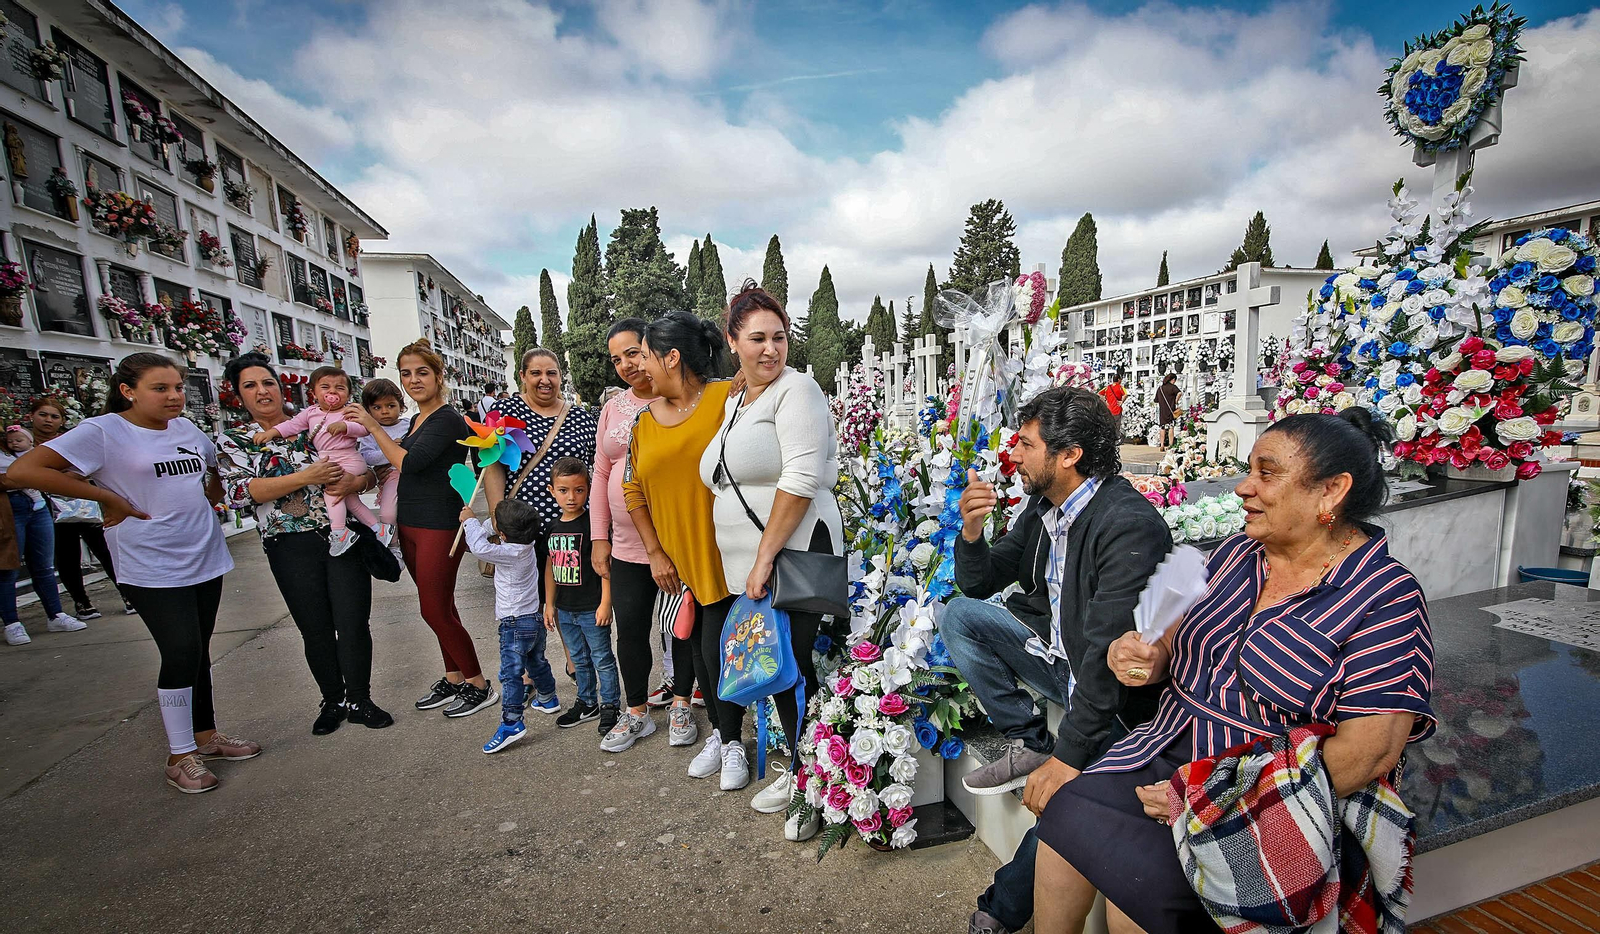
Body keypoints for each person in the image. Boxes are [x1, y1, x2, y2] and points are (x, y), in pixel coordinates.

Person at [1034, 410, 1435, 934]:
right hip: (1168, 744)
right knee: (1065, 822)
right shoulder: (1237, 554)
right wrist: (1147, 658)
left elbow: (1370, 751)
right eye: (1250, 470)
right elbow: (1175, 638)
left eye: (1267, 473)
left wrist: (1210, 795)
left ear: (1331, 492)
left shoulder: (1385, 595)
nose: (1245, 488)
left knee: (1134, 895)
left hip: (1263, 788)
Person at [948, 386, 1171, 934]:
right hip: (1061, 661)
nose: (1014, 455)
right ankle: (1030, 739)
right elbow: (979, 582)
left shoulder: (1126, 524)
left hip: (1116, 701)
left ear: (1069, 454)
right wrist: (972, 533)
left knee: (1069, 802)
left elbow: (1105, 659)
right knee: (959, 616)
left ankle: (999, 912)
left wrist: (1069, 757)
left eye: (1025, 444)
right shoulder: (1045, 507)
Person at [10, 352, 260, 793]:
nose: (174, 397)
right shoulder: (104, 431)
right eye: (160, 389)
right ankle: (179, 755)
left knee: (198, 648)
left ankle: (206, 735)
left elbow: (211, 474)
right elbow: (23, 470)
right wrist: (105, 498)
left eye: (178, 388)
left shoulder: (186, 429)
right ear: (128, 391)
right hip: (150, 562)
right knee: (180, 649)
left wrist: (216, 489)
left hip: (203, 553)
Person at [698, 280, 841, 841]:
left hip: (791, 555)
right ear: (733, 341)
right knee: (779, 668)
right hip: (756, 564)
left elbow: (802, 478)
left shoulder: (796, 390)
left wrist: (761, 560)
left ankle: (810, 786)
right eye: (757, 338)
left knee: (793, 667)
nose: (771, 349)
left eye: (779, 337)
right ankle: (802, 773)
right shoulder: (739, 401)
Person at [218, 352, 393, 737]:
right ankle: (332, 699)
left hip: (342, 535)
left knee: (352, 621)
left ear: (282, 388)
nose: (262, 391)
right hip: (288, 543)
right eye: (250, 386)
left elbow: (365, 471)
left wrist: (356, 484)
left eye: (268, 383)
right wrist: (306, 476)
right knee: (314, 627)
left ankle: (360, 698)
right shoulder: (236, 439)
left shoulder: (317, 420)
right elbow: (241, 492)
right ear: (237, 395)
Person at [622, 310, 743, 789]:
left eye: (644, 356)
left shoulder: (725, 398)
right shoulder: (642, 422)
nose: (637, 368)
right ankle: (722, 732)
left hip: (726, 555)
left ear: (672, 358)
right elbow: (634, 491)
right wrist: (654, 553)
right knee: (695, 649)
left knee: (719, 652)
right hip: (676, 565)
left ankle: (731, 739)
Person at [346, 338, 495, 719]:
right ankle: (454, 675)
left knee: (433, 609)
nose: (414, 380)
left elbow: (409, 463)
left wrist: (371, 425)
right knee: (442, 606)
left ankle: (478, 683)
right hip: (411, 522)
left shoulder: (447, 418)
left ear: (439, 375)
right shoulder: (416, 419)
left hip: (439, 525)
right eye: (406, 373)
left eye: (422, 372)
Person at [594, 318, 670, 754]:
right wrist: (598, 536)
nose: (625, 364)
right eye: (616, 358)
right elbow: (602, 469)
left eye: (632, 353)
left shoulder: (680, 398)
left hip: (673, 539)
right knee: (632, 629)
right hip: (624, 544)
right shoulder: (613, 407)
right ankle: (636, 711)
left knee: (682, 630)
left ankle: (681, 700)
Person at [253, 366, 386, 553]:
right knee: (350, 500)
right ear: (313, 392)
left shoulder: (349, 411)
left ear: (348, 393)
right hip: (330, 460)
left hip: (348, 459)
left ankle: (340, 532)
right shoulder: (310, 413)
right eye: (325, 387)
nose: (332, 391)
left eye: (340, 388)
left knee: (332, 493)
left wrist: (345, 426)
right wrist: (272, 432)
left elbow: (364, 428)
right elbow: (291, 426)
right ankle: (378, 529)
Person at [462, 497, 558, 755]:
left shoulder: (506, 552)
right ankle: (548, 698)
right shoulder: (526, 545)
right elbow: (492, 537)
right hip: (533, 620)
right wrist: (492, 526)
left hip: (513, 624)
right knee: (536, 662)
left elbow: (479, 547)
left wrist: (470, 521)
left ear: (503, 534)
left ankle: (511, 722)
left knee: (510, 674)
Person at [27, 397, 134, 619]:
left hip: (83, 503)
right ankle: (81, 601)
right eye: (43, 415)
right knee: (67, 555)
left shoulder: (71, 441)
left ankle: (128, 593)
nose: (48, 420)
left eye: (54, 416)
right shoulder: (23, 444)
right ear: (31, 417)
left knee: (104, 549)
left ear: (62, 421)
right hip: (49, 507)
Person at [544, 457, 619, 734]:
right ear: (552, 491)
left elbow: (605, 567)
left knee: (602, 657)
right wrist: (549, 604)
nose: (571, 497)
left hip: (591, 608)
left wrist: (605, 603)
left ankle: (610, 704)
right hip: (565, 609)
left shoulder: (593, 526)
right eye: (563, 490)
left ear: (588, 489)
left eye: (579, 490)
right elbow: (551, 566)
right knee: (578, 657)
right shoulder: (551, 527)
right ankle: (587, 702)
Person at [1, 423, 85, 644]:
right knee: (8, 568)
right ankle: (12, 623)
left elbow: (44, 471)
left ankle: (55, 614)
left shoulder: (21, 444)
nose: (14, 441)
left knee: (44, 566)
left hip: (36, 506)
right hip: (8, 509)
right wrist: (25, 478)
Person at [357, 378, 410, 544]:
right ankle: (393, 545)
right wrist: (389, 450)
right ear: (368, 410)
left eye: (390, 406)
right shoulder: (368, 432)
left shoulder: (410, 425)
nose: (384, 411)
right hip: (391, 476)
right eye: (377, 407)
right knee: (387, 515)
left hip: (412, 473)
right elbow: (367, 456)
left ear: (401, 406)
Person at [1156, 372, 1181, 449]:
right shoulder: (1173, 387)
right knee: (1171, 427)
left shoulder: (1160, 388)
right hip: (1171, 410)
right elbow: (1180, 393)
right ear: (1172, 380)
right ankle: (1170, 445)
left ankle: (1162, 445)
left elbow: (1156, 400)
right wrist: (1176, 400)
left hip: (1162, 411)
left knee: (1162, 427)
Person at [1098, 371, 1126, 439]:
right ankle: (1115, 438)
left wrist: (1105, 402)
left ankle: (1109, 438)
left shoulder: (1108, 387)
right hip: (1117, 409)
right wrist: (1122, 401)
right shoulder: (1120, 387)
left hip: (1109, 410)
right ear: (1119, 380)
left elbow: (1099, 393)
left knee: (1109, 424)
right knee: (1117, 425)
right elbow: (1126, 394)